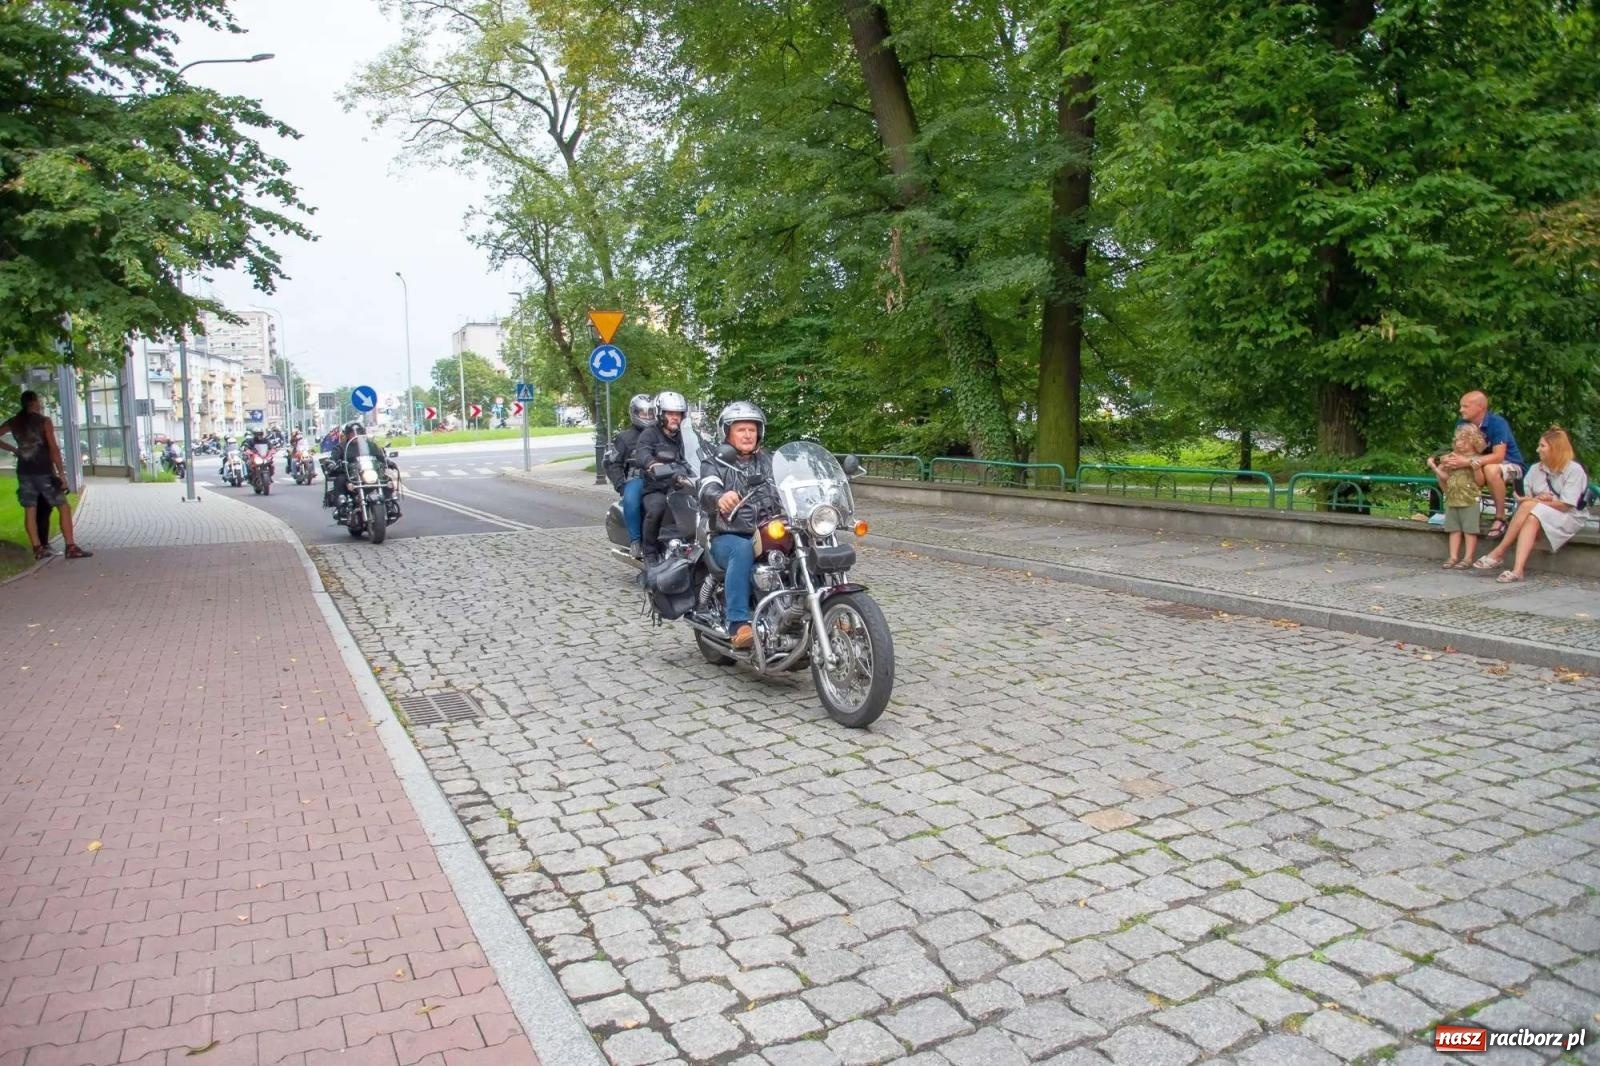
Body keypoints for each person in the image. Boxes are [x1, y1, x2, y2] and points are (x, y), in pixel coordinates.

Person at [697, 401, 775, 650]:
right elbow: (706, 487)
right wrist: (719, 497)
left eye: (752, 429)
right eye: (741, 429)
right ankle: (738, 623)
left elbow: (792, 481)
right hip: (727, 534)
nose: (748, 434)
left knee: (807, 541)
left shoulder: (769, 461)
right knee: (741, 549)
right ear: (727, 433)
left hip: (767, 529)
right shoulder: (715, 462)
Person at [1472, 427, 1589, 583]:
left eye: (1542, 446)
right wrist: (1533, 498)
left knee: (1529, 507)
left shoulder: (1574, 470)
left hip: (1568, 516)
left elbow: (1566, 505)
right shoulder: (1536, 469)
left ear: (1555, 449)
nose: (1537, 449)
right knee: (1531, 516)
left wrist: (1537, 501)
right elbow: (1526, 496)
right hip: (1537, 515)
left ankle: (1499, 551)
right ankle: (1518, 570)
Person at [0, 391, 92, 559]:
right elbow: (53, 448)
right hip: (44, 471)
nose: (40, 403)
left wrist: (14, 449)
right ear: (33, 402)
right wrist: (61, 473)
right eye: (39, 400)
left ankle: (38, 548)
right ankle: (70, 546)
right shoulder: (44, 421)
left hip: (24, 472)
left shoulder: (14, 421)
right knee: (63, 507)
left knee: (30, 509)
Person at [1437, 391, 1524, 539]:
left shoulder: (1497, 423)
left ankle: (1500, 518)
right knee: (1443, 468)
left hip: (1509, 464)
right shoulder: (1462, 424)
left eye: (1465, 406)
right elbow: (1457, 450)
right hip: (1477, 463)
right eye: (1461, 406)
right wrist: (1446, 459)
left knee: (1491, 469)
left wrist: (1467, 462)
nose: (1461, 410)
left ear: (1480, 407)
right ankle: (1455, 508)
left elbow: (1498, 456)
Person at [632, 391, 691, 564]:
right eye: (670, 413)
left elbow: (699, 451)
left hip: (683, 486)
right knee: (657, 508)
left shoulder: (686, 436)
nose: (675, 418)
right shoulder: (649, 434)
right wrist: (651, 463)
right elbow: (642, 452)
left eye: (678, 414)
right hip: (657, 487)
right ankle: (649, 553)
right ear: (660, 414)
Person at [1427, 423, 1487, 568]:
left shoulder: (1476, 459)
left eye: (1464, 440)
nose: (1459, 444)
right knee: (1453, 529)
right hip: (1453, 499)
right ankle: (1453, 556)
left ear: (1473, 441)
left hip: (1469, 499)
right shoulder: (1453, 458)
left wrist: (1477, 469)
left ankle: (1468, 558)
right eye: (1458, 440)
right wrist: (1434, 467)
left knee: (1470, 530)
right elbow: (1446, 478)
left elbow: (1480, 482)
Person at [604, 394, 655, 559]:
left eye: (650, 413)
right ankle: (635, 541)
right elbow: (613, 463)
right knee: (631, 501)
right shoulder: (625, 437)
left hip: (663, 477)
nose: (647, 416)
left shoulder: (661, 433)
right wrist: (621, 484)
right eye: (643, 413)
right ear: (634, 413)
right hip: (638, 478)